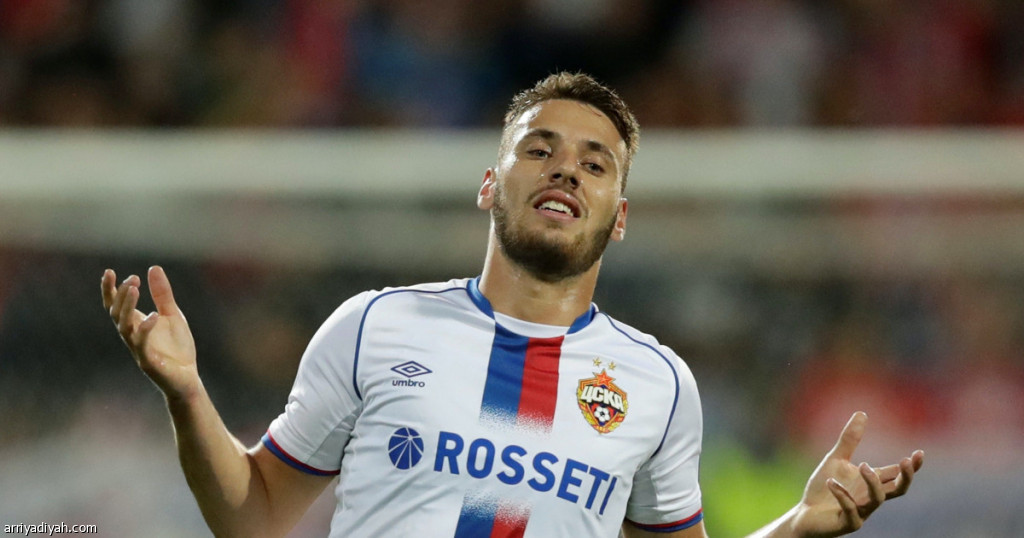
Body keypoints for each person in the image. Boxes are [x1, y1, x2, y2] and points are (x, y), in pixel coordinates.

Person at [101, 72, 923, 537]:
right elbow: (253, 518)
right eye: (541, 149)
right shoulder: (375, 325)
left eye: (596, 165)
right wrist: (188, 395)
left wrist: (795, 526)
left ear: (619, 217)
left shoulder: (660, 385)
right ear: (491, 184)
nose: (566, 170)